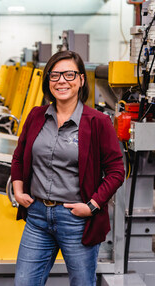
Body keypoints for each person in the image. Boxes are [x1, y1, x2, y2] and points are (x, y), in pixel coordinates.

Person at [11, 50, 125, 286]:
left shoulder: (98, 123)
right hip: (37, 216)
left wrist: (92, 206)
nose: (61, 81)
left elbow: (116, 171)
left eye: (69, 74)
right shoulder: (36, 116)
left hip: (76, 219)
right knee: (24, 282)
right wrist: (18, 190)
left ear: (81, 79)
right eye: (55, 75)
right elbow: (19, 156)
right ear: (48, 81)